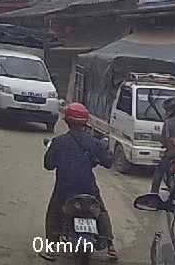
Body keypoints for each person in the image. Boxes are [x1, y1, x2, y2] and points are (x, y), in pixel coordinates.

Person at [43, 102, 115, 261]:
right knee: (101, 212)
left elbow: (48, 165)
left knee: (53, 213)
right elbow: (108, 163)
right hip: (89, 190)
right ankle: (111, 246)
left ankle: (50, 249)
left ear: (67, 121)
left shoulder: (59, 142)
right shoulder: (94, 142)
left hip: (64, 191)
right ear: (85, 122)